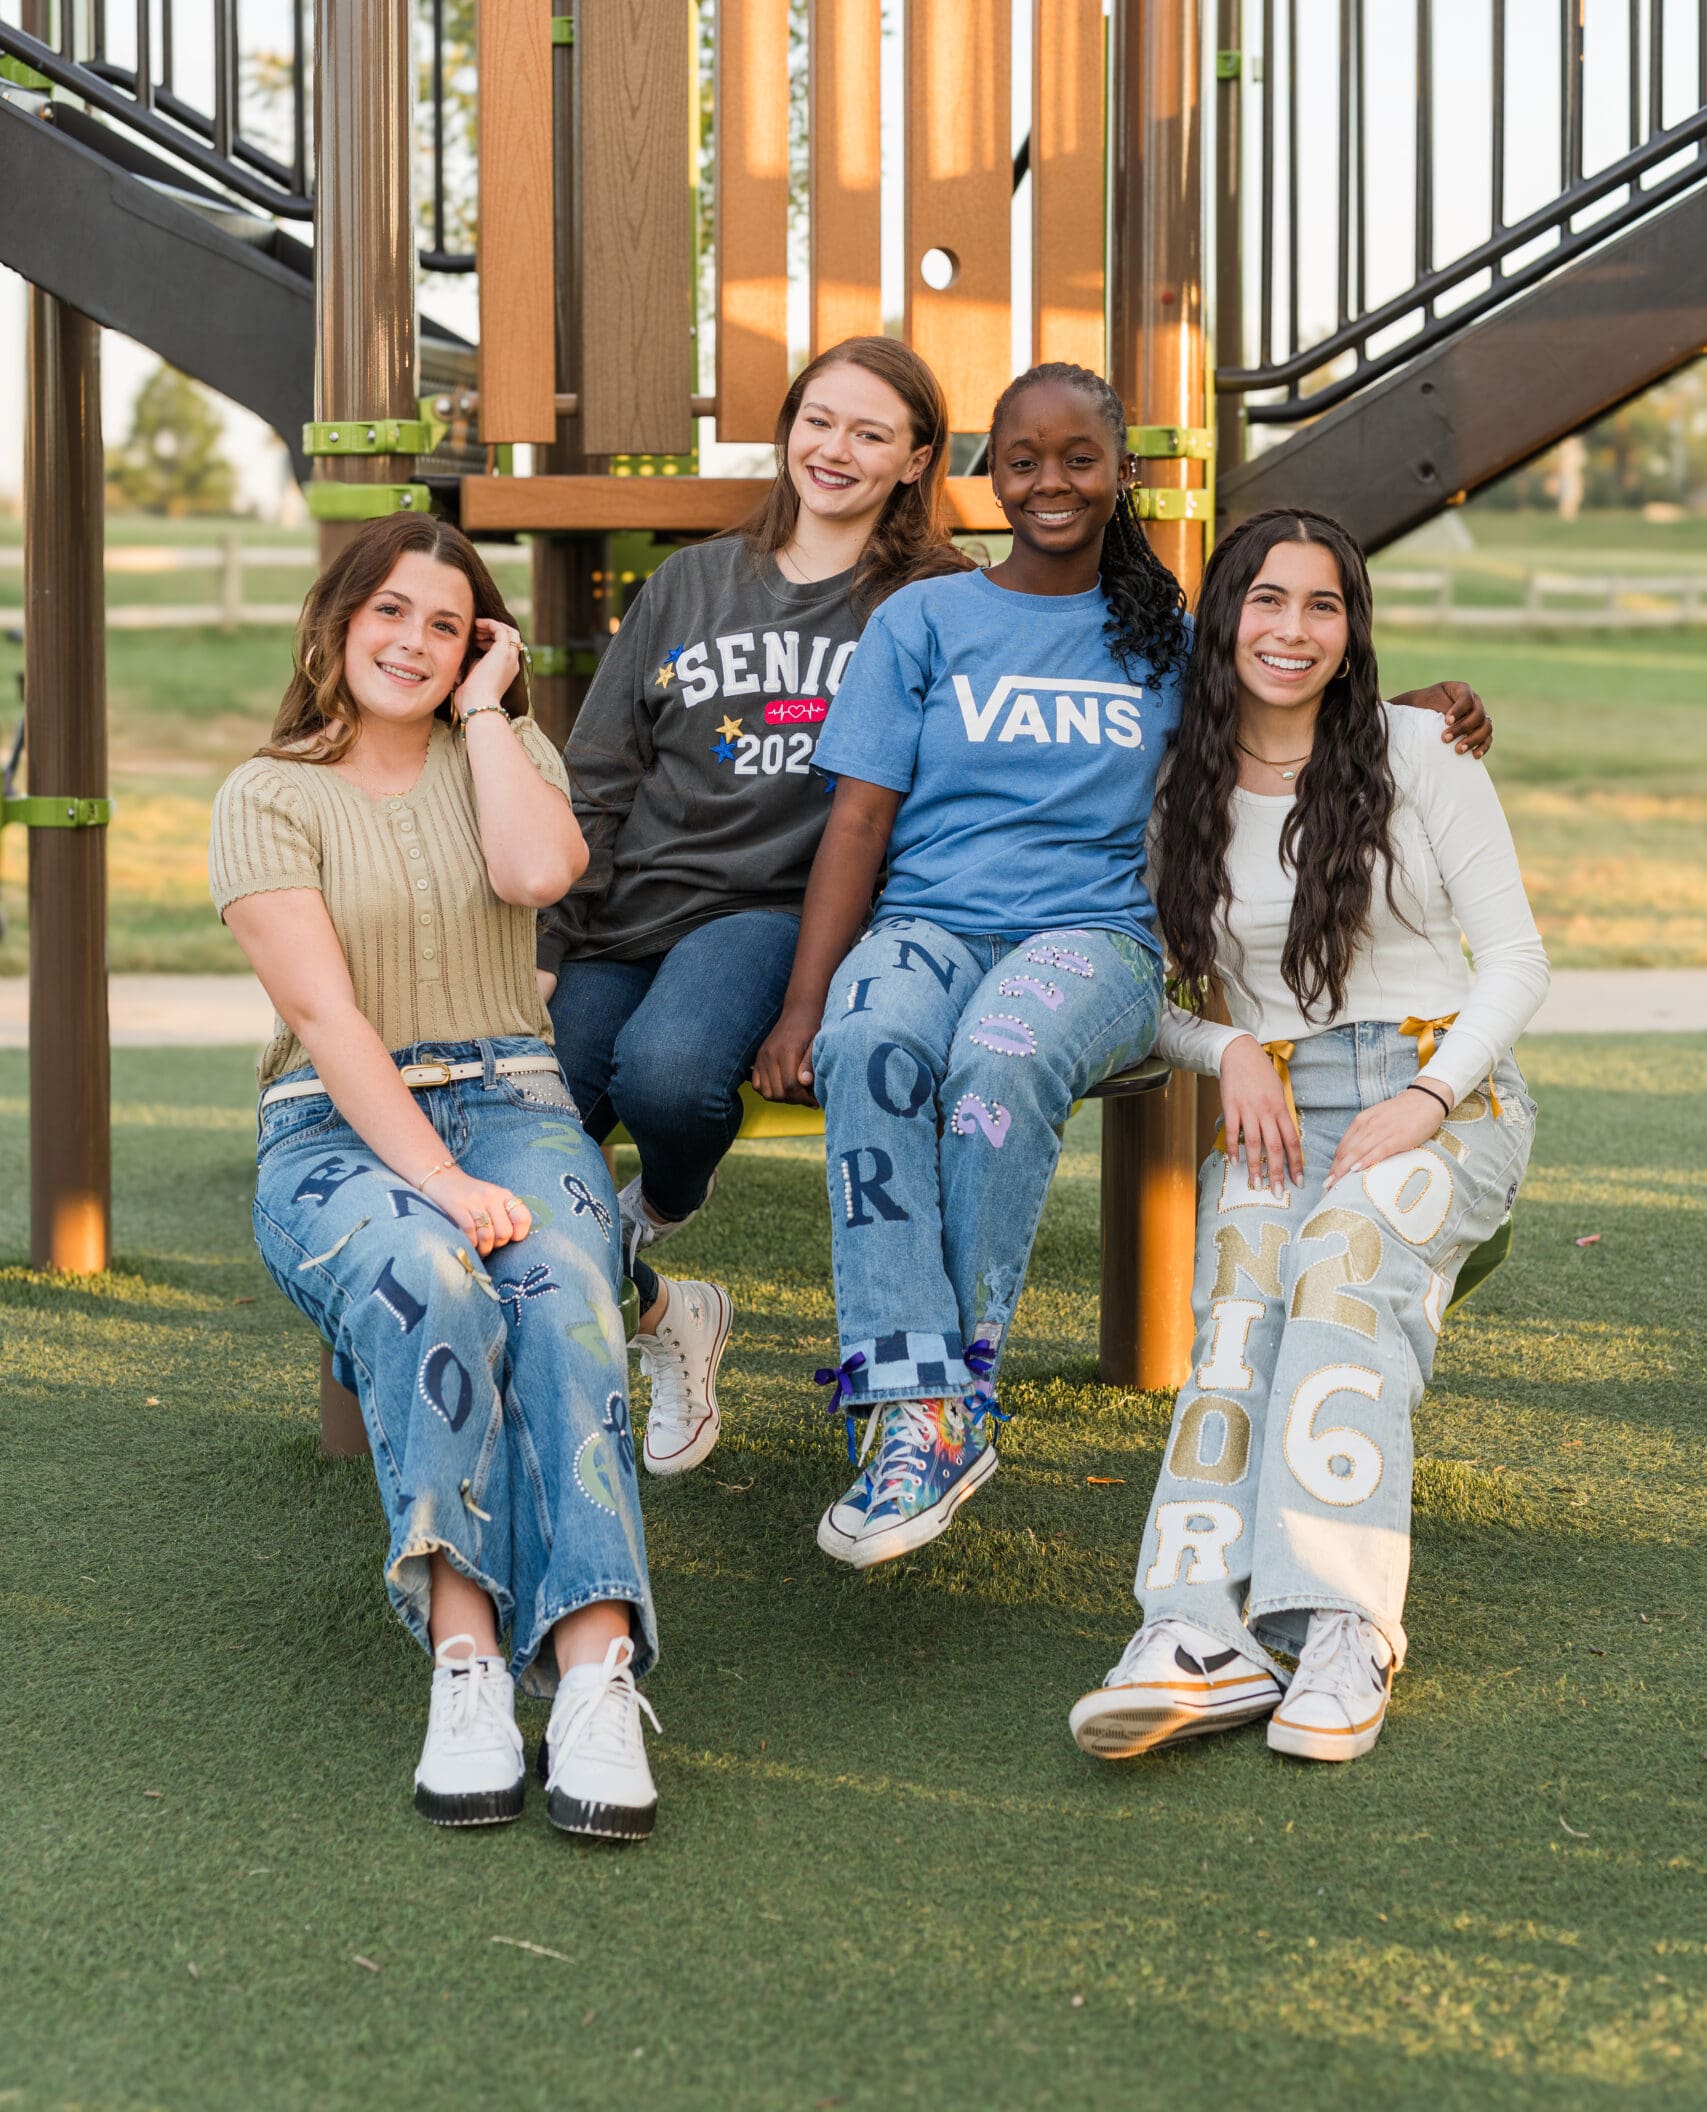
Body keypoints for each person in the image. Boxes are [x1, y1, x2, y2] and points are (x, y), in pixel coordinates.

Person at [755, 366, 1496, 1578]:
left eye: (1080, 457)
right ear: (985, 475)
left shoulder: (1170, 633)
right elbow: (856, 823)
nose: (1052, 482)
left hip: (1094, 941)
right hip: (929, 921)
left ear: (1120, 473)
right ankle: (915, 1407)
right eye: (1025, 460)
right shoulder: (925, 622)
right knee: (864, 1045)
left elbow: (1293, 691)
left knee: (1003, 1055)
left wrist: (1414, 707)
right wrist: (803, 1003)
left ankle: (945, 1404)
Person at [1068, 504, 1547, 1769]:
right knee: (1235, 1309)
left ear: (1352, 629)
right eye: (1267, 600)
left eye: (1322, 604)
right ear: (1224, 617)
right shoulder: (1175, 780)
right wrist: (1225, 1048)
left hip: (1445, 1099)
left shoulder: (1422, 750)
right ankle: (1192, 1631)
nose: (1293, 628)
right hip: (1278, 1103)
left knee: (1338, 1263)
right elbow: (1144, 994)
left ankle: (1340, 1623)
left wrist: (1429, 1095)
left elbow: (1516, 960)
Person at [210, 513, 662, 1840]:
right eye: (390, 614)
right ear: (339, 619)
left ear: (480, 649)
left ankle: (591, 1667)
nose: (413, 642)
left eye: (447, 626)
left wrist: (483, 713)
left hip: (516, 1098)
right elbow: (332, 1021)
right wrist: (439, 1183)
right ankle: (464, 1664)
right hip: (332, 1125)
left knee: (567, 1284)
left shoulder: (499, 747)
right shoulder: (268, 794)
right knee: (431, 1275)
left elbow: (538, 873)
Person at [537, 335, 967, 1477]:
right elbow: (601, 772)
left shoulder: (934, 600)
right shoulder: (689, 582)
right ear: (786, 428)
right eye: (819, 420)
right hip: (633, 902)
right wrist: (550, 939)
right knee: (542, 1107)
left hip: (777, 907)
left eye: (872, 433)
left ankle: (659, 1209)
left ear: (916, 459)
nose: (836, 449)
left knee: (668, 1075)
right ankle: (668, 1312)